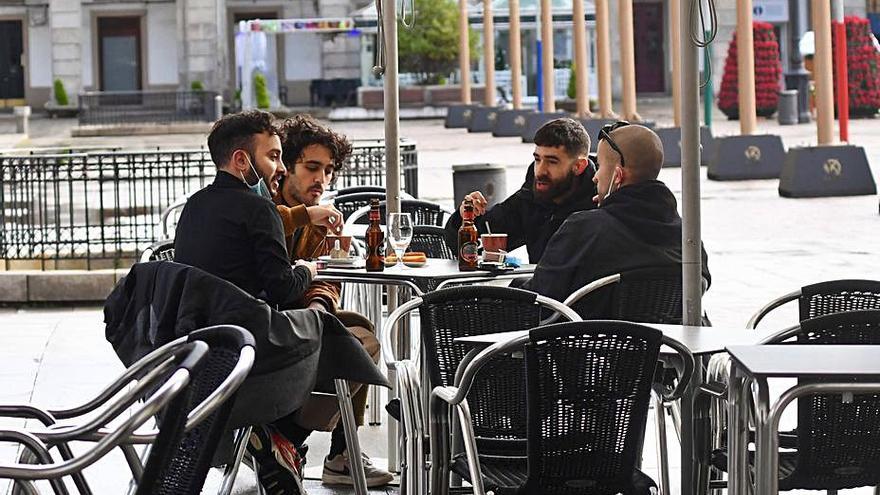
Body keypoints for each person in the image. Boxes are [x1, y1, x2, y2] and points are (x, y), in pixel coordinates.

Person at [174, 110, 325, 494]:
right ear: (241, 161)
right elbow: (282, 289)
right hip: (252, 351)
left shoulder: (193, 207)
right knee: (336, 338)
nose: (279, 167)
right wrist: (309, 269)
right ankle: (283, 437)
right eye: (272, 157)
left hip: (194, 348)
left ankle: (272, 438)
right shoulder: (259, 209)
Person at [273, 114, 393, 487]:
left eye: (328, 170)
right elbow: (264, 227)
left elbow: (325, 278)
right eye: (312, 168)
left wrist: (320, 307)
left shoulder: (318, 220)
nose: (321, 179)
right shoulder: (267, 206)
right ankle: (290, 439)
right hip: (266, 322)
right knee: (353, 344)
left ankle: (333, 450)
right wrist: (305, 216)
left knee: (363, 333)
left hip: (301, 317)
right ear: (285, 167)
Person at [522, 122, 711, 317]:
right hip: (666, 345)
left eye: (601, 167)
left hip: (586, 343)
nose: (595, 177)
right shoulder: (688, 238)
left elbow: (538, 300)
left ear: (618, 176)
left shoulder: (583, 229)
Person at [443, 117, 597, 262]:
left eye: (552, 162)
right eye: (537, 159)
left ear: (578, 166)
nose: (541, 171)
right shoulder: (530, 197)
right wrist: (465, 218)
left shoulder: (600, 202)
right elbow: (474, 242)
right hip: (536, 288)